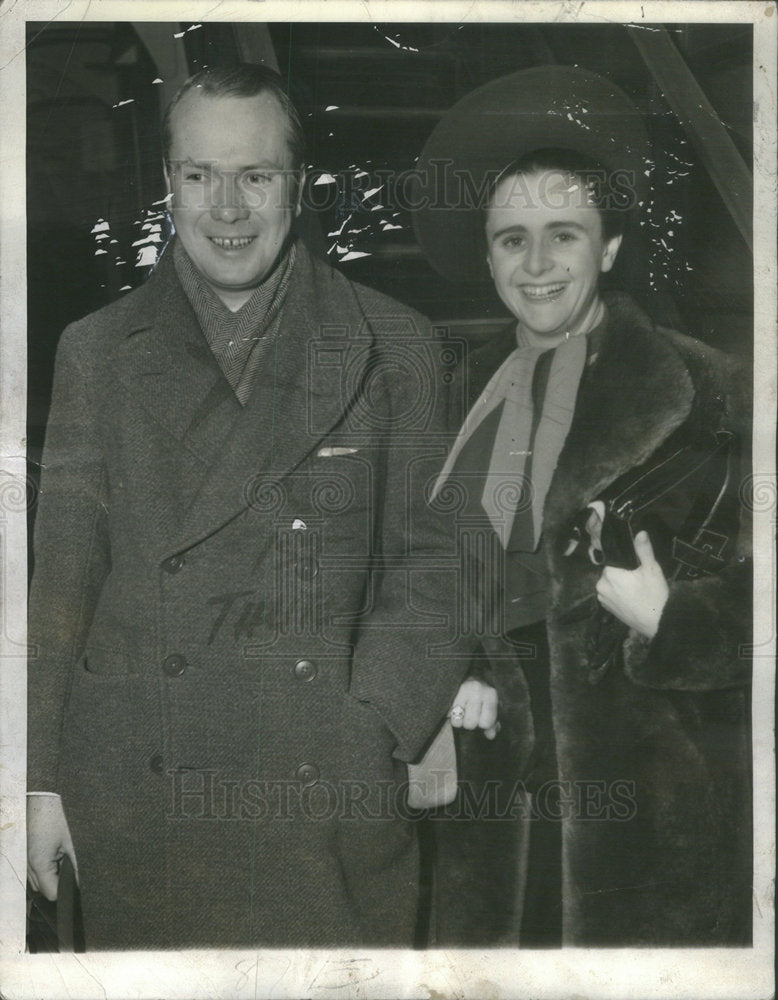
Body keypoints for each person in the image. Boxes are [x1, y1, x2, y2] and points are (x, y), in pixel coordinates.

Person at [26, 63, 489, 949]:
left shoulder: (394, 344)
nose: (227, 209)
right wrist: (39, 784)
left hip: (318, 798)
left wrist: (386, 721)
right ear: (168, 185)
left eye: (256, 175)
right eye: (200, 176)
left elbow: (442, 558)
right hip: (136, 798)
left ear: (297, 185)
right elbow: (63, 582)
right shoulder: (96, 350)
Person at [413, 66, 752, 946]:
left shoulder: (712, 392)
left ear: (606, 249)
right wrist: (453, 670)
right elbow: (419, 569)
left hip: (648, 805)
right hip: (492, 804)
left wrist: (677, 619)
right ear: (485, 252)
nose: (535, 266)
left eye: (563, 235)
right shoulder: (454, 395)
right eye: (511, 239)